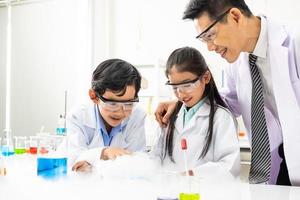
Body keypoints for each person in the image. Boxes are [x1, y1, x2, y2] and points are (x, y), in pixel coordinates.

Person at [155, 0, 300, 186]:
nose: (210, 47)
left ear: (235, 17)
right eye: (203, 40)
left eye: (210, 35)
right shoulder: (238, 64)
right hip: (284, 165)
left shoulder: (295, 42)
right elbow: (226, 102)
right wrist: (182, 102)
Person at [151, 47, 240, 177]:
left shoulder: (221, 117)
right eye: (175, 87)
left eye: (187, 85)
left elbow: (229, 166)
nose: (181, 94)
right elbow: (156, 156)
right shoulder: (169, 117)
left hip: (202, 192)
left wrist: (191, 175)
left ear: (206, 77)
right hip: (169, 192)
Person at [68, 59, 146, 172]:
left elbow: (138, 160)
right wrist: (105, 153)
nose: (121, 111)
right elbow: (74, 161)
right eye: (113, 103)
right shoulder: (78, 116)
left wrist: (91, 159)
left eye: (129, 103)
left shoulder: (137, 116)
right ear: (94, 96)